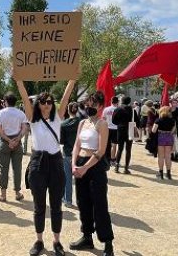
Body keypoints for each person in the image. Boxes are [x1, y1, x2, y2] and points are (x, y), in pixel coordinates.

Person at [16, 79, 75, 256]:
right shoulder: (33, 119)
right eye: (43, 101)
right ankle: (39, 240)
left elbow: (65, 97)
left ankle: (57, 241)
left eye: (49, 101)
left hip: (56, 163)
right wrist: (19, 81)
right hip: (38, 164)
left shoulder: (58, 117)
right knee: (39, 206)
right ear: (38, 104)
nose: (47, 104)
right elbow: (25, 98)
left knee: (56, 206)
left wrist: (71, 79)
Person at [70, 91, 115, 256]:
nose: (90, 107)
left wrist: (85, 167)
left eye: (94, 104)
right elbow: (76, 145)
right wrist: (74, 163)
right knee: (83, 202)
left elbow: (101, 150)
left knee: (100, 205)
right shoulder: (82, 123)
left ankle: (108, 243)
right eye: (88, 103)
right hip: (80, 165)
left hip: (94, 168)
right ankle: (87, 236)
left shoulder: (102, 124)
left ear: (101, 106)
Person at [0, 92, 27, 202]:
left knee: (4, 169)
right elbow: (24, 128)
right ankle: (17, 193)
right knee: (17, 169)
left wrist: (8, 140)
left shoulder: (0, 113)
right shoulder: (21, 113)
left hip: (5, 141)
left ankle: (3, 195)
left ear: (5, 101)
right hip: (17, 142)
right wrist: (17, 139)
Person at [60, 102, 81, 207]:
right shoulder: (82, 122)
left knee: (67, 178)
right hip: (81, 154)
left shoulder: (63, 124)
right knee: (81, 179)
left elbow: (61, 141)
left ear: (68, 110)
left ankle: (68, 200)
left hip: (68, 152)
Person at [152, 106, 176, 180]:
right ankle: (168, 174)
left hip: (160, 138)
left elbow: (153, 130)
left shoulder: (158, 120)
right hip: (169, 137)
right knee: (168, 157)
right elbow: (173, 131)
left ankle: (161, 173)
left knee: (161, 157)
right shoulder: (173, 120)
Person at [112, 96, 134, 174]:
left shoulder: (117, 109)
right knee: (128, 149)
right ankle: (126, 168)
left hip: (120, 129)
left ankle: (117, 167)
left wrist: (119, 123)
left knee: (120, 148)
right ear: (129, 101)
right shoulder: (131, 109)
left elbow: (113, 121)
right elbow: (134, 119)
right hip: (129, 129)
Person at [102, 97, 119, 165]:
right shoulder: (118, 109)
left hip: (107, 128)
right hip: (115, 128)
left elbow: (103, 119)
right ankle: (112, 159)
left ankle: (107, 159)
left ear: (111, 101)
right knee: (114, 145)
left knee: (107, 144)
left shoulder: (106, 109)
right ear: (117, 102)